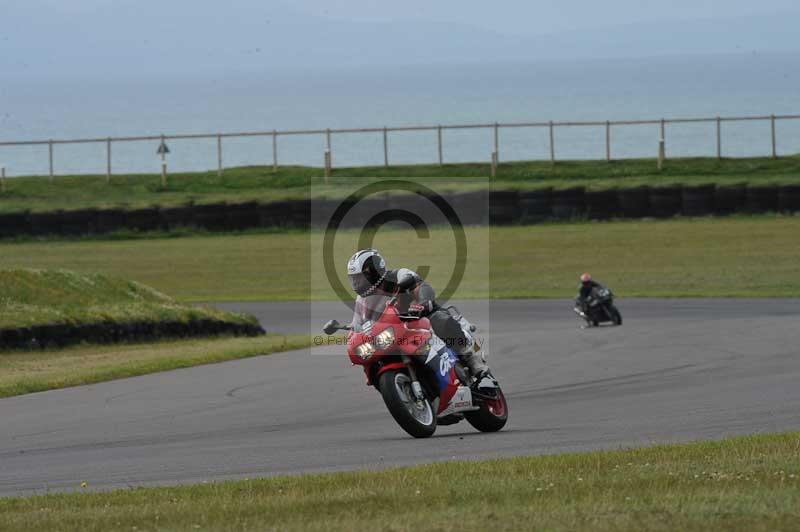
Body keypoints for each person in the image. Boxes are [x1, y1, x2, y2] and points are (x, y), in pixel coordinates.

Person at [346, 249, 489, 378]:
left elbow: (421, 286)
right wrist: (354, 331)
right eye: (354, 279)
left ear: (374, 271)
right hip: (395, 332)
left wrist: (424, 302)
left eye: (360, 278)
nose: (357, 284)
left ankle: (472, 360)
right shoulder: (363, 300)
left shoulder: (399, 276)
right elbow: (359, 321)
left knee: (439, 319)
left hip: (421, 320)